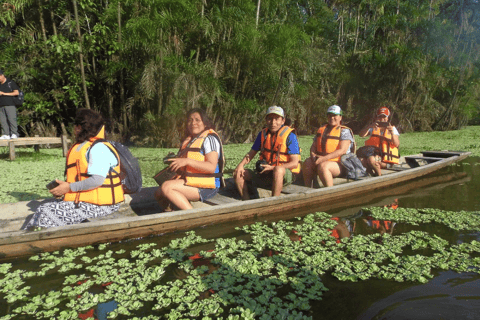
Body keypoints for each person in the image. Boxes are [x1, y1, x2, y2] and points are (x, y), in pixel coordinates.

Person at [23, 109, 124, 229]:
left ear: (80, 127)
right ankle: (27, 238)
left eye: (75, 125)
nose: (74, 129)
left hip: (104, 205)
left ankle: (35, 243)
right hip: (88, 202)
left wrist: (69, 187)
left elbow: (97, 180)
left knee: (47, 213)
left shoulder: (99, 148)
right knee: (42, 208)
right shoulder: (85, 146)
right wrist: (64, 188)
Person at [154, 108, 224, 210]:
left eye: (197, 120)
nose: (193, 123)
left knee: (167, 187)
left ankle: (193, 217)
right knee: (158, 193)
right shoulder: (189, 140)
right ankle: (172, 213)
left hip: (208, 186)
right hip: (190, 180)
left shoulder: (210, 139)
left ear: (205, 123)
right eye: (190, 120)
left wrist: (187, 161)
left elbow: (211, 167)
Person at [233, 106, 300, 200]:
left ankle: (273, 202)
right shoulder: (262, 134)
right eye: (270, 119)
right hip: (265, 172)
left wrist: (272, 167)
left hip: (284, 174)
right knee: (239, 173)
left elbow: (294, 163)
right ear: (266, 120)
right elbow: (251, 153)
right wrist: (240, 165)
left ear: (283, 121)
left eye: (276, 119)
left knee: (278, 170)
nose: (273, 122)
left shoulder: (290, 136)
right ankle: (247, 201)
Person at [303, 105, 355, 188]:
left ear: (340, 117)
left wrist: (323, 159)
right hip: (322, 160)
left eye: (335, 115)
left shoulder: (344, 131)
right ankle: (308, 190)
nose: (332, 118)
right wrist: (313, 156)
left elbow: (342, 150)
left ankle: (330, 192)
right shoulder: (322, 130)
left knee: (323, 166)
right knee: (307, 162)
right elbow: (313, 146)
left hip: (341, 164)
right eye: (330, 115)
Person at [357, 106, 400, 176]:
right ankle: (370, 175)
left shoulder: (392, 129)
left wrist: (392, 133)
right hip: (374, 154)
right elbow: (361, 135)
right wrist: (369, 126)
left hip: (386, 159)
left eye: (384, 117)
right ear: (377, 118)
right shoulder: (373, 127)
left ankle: (379, 176)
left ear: (387, 118)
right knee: (361, 160)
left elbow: (397, 144)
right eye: (380, 117)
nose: (382, 119)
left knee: (372, 160)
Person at [0, 69, 20, 140]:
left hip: (10, 104)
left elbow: (16, 92)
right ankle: (5, 134)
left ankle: (14, 133)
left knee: (11, 119)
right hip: (1, 105)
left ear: (2, 75)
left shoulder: (10, 82)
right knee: (2, 120)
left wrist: (4, 93)